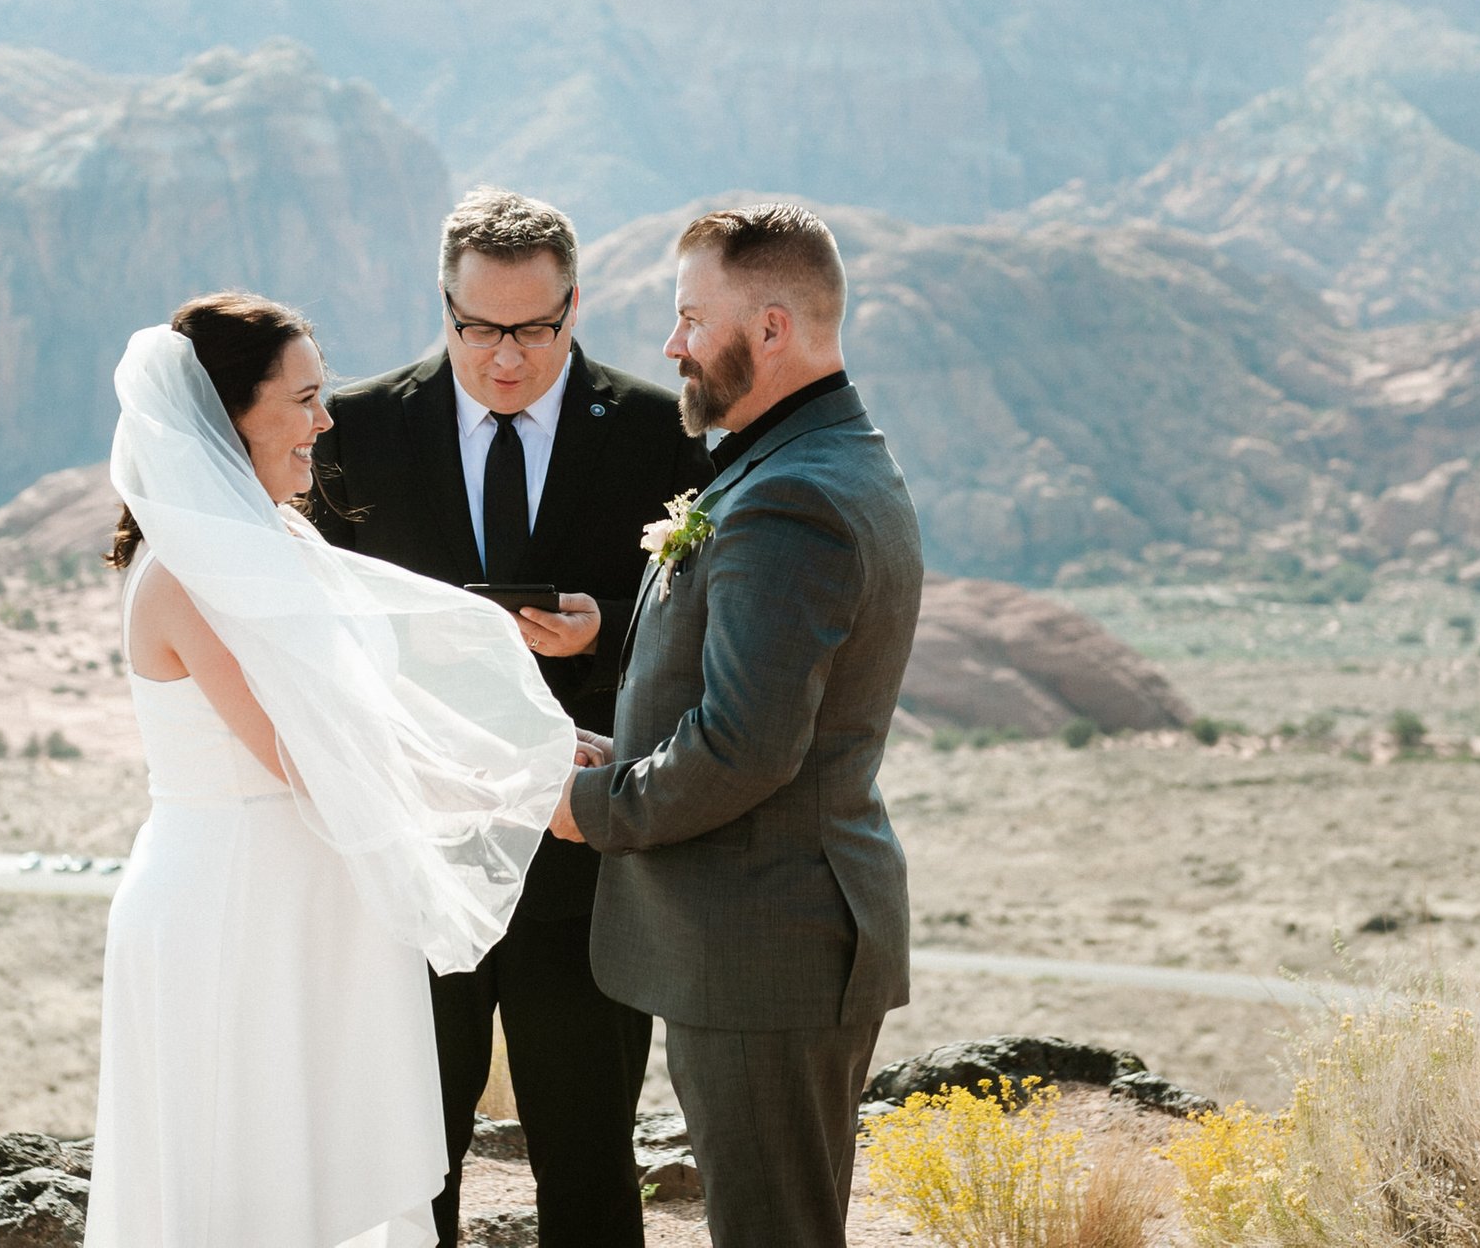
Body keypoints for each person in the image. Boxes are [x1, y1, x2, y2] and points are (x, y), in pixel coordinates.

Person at [86, 292, 579, 1248]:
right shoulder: (187, 574)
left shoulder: (278, 540)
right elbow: (306, 753)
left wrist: (542, 746)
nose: (326, 420)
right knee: (248, 1174)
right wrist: (514, 786)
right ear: (230, 416)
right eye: (304, 399)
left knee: (311, 1167)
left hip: (311, 898)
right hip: (233, 907)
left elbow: (378, 708)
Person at [311, 189, 710, 1248]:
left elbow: (716, 606)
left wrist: (607, 625)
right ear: (441, 304)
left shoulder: (654, 430)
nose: (503, 357)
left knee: (586, 1158)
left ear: (574, 305)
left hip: (581, 859)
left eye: (533, 328)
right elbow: (312, 624)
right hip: (413, 854)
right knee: (408, 1157)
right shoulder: (353, 428)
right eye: (478, 326)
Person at [554, 204, 924, 1248]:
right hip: (774, 930)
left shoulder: (791, 494)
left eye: (688, 317)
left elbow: (746, 745)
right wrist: (621, 751)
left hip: (767, 941)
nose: (671, 345)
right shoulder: (823, 455)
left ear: (769, 329)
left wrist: (591, 804)